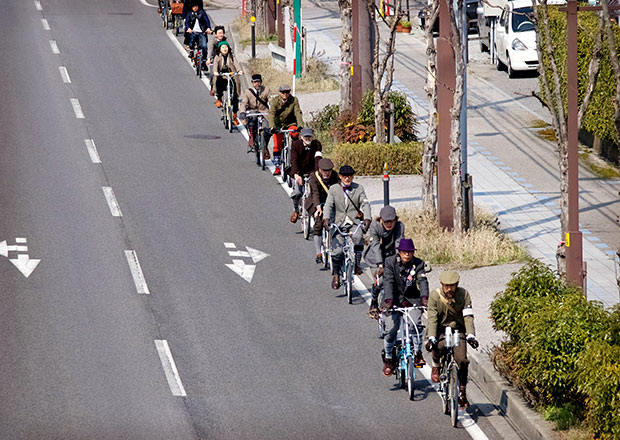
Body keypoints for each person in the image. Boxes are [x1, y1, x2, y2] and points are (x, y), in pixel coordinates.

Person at [425, 270, 479, 408]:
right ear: (441, 285)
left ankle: (462, 392)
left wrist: (471, 335)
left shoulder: (464, 295)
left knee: (462, 360)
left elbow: (468, 316)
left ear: (457, 284)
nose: (449, 289)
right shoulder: (434, 296)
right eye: (446, 286)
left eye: (452, 285)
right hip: (440, 329)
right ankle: (436, 365)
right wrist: (431, 338)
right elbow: (432, 318)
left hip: (457, 330)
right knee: (437, 347)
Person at [380, 238, 429, 377]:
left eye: (410, 252)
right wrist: (388, 301)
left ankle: (418, 353)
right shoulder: (390, 262)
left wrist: (424, 299)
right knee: (391, 330)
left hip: (412, 299)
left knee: (416, 325)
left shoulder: (418, 264)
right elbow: (388, 281)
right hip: (393, 299)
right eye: (404, 252)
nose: (407, 255)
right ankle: (389, 358)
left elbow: (422, 280)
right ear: (399, 252)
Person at [322, 165, 371, 289]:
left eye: (350, 176)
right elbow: (328, 206)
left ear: (353, 176)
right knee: (337, 251)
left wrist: (367, 218)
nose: (347, 179)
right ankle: (336, 275)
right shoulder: (334, 189)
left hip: (353, 222)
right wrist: (326, 219)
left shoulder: (358, 188)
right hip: (338, 223)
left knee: (359, 237)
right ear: (340, 177)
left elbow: (365, 204)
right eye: (344, 176)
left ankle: (357, 265)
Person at [364, 205, 406, 311]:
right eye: (386, 221)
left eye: (391, 221)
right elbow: (375, 245)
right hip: (375, 257)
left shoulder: (400, 226)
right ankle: (374, 300)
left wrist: (399, 260)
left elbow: (399, 244)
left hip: (391, 255)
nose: (389, 224)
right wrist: (380, 264)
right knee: (381, 280)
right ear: (381, 220)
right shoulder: (375, 226)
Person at [266, 85, 304, 176]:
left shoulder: (294, 100)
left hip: (290, 123)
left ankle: (296, 151)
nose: (285, 94)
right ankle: (277, 166)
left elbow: (298, 113)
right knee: (277, 144)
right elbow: (272, 115)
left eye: (287, 92)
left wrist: (300, 125)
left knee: (295, 134)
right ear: (279, 93)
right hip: (278, 125)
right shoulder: (275, 101)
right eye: (283, 92)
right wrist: (272, 127)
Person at [308, 158, 340, 263]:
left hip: (331, 202)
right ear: (320, 170)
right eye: (324, 171)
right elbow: (315, 193)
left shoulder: (335, 176)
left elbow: (339, 191)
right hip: (316, 202)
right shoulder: (313, 177)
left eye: (329, 171)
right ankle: (318, 253)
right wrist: (317, 207)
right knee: (318, 223)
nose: (327, 173)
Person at [289, 128, 322, 223]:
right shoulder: (296, 145)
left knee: (315, 192)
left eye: (309, 136)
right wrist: (296, 174)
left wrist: (317, 174)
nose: (308, 138)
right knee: (297, 193)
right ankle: (296, 210)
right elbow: (294, 160)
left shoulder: (317, 144)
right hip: (299, 172)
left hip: (312, 172)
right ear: (301, 137)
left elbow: (318, 159)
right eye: (305, 136)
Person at [239, 74, 271, 157]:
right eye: (255, 82)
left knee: (267, 129)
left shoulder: (266, 90)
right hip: (252, 111)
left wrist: (274, 110)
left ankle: (265, 147)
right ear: (252, 83)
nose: (257, 84)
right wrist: (242, 112)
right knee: (251, 121)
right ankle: (252, 137)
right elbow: (244, 103)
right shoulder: (248, 92)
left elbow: (271, 101)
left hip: (263, 112)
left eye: (259, 82)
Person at [212, 41, 243, 123]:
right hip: (222, 75)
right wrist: (216, 72)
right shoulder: (217, 57)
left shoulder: (232, 57)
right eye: (223, 47)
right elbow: (215, 67)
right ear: (220, 49)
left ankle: (235, 115)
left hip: (231, 75)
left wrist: (239, 71)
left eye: (226, 47)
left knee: (235, 96)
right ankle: (219, 97)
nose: (225, 49)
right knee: (218, 82)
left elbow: (236, 64)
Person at [184, 1, 212, 69]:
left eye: (196, 6)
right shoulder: (189, 14)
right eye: (193, 7)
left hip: (201, 32)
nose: (195, 8)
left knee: (204, 46)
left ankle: (204, 61)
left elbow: (207, 21)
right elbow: (187, 22)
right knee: (191, 42)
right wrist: (188, 28)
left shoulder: (202, 13)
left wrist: (208, 28)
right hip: (193, 32)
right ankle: (191, 52)